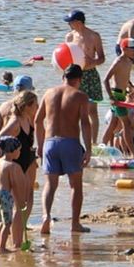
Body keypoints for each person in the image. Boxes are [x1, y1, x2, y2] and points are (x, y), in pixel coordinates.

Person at [37, 64, 94, 237]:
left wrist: (40, 145)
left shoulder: (48, 93)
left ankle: (46, 216)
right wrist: (89, 149)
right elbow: (85, 123)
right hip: (70, 143)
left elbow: (37, 121)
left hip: (50, 143)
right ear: (79, 80)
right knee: (75, 186)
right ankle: (75, 224)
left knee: (50, 184)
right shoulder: (80, 96)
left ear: (63, 77)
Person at [64, 9, 107, 137]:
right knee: (73, 109)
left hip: (90, 74)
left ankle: (93, 142)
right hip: (74, 75)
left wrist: (92, 61)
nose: (69, 24)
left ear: (78, 22)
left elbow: (102, 58)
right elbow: (65, 56)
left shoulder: (94, 36)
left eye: (70, 22)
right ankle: (74, 138)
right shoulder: (69, 36)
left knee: (92, 111)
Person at [0, 136, 31, 254]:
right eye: (19, 150)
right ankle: (2, 248)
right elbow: (16, 185)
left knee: (1, 222)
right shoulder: (13, 166)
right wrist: (21, 201)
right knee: (7, 223)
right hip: (6, 195)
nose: (20, 152)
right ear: (12, 150)